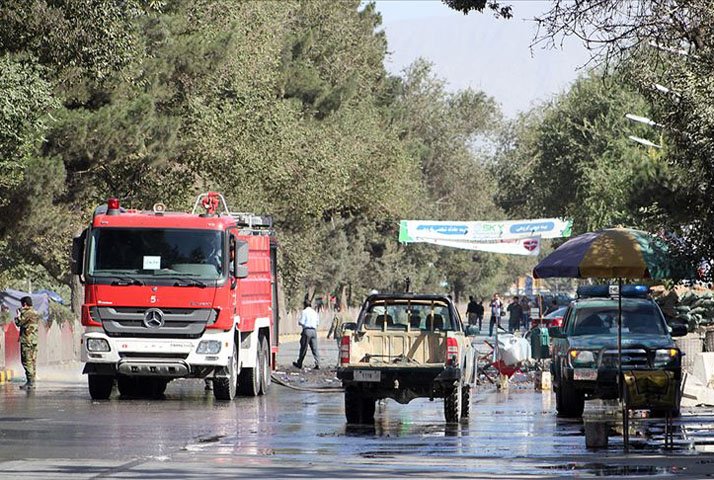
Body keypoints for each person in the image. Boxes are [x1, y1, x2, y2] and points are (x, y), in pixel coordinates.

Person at [15, 296, 40, 390]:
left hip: (27, 340)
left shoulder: (26, 313)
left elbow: (19, 323)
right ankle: (32, 380)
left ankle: (30, 382)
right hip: (34, 340)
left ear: (24, 304)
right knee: (33, 361)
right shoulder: (35, 312)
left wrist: (18, 314)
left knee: (26, 361)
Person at [293, 300, 321, 370]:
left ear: (304, 305)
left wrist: (299, 323)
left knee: (303, 348)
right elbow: (317, 323)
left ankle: (299, 363)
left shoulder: (304, 312)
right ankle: (318, 363)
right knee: (315, 348)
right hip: (314, 331)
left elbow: (302, 322)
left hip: (307, 331)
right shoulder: (314, 312)